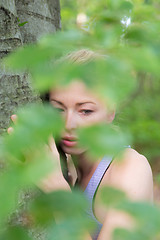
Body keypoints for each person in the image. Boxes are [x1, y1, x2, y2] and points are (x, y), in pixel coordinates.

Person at [8, 49, 154, 240]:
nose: (69, 125)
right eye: (58, 109)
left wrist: (58, 189)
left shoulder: (130, 167)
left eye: (85, 111)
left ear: (111, 112)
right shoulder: (67, 167)